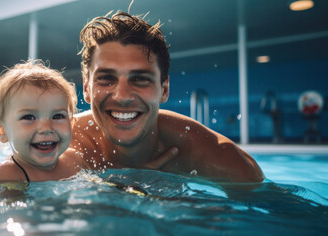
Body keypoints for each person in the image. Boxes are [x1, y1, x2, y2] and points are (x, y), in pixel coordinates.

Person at [71, 11, 264, 183]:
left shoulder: (221, 161)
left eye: (140, 79)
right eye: (106, 78)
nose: (122, 96)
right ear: (87, 88)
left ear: (164, 89)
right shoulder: (62, 144)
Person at [0, 60, 85, 183]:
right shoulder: (7, 174)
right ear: (1, 130)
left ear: (71, 124)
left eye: (57, 116)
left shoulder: (74, 160)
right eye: (29, 117)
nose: (46, 128)